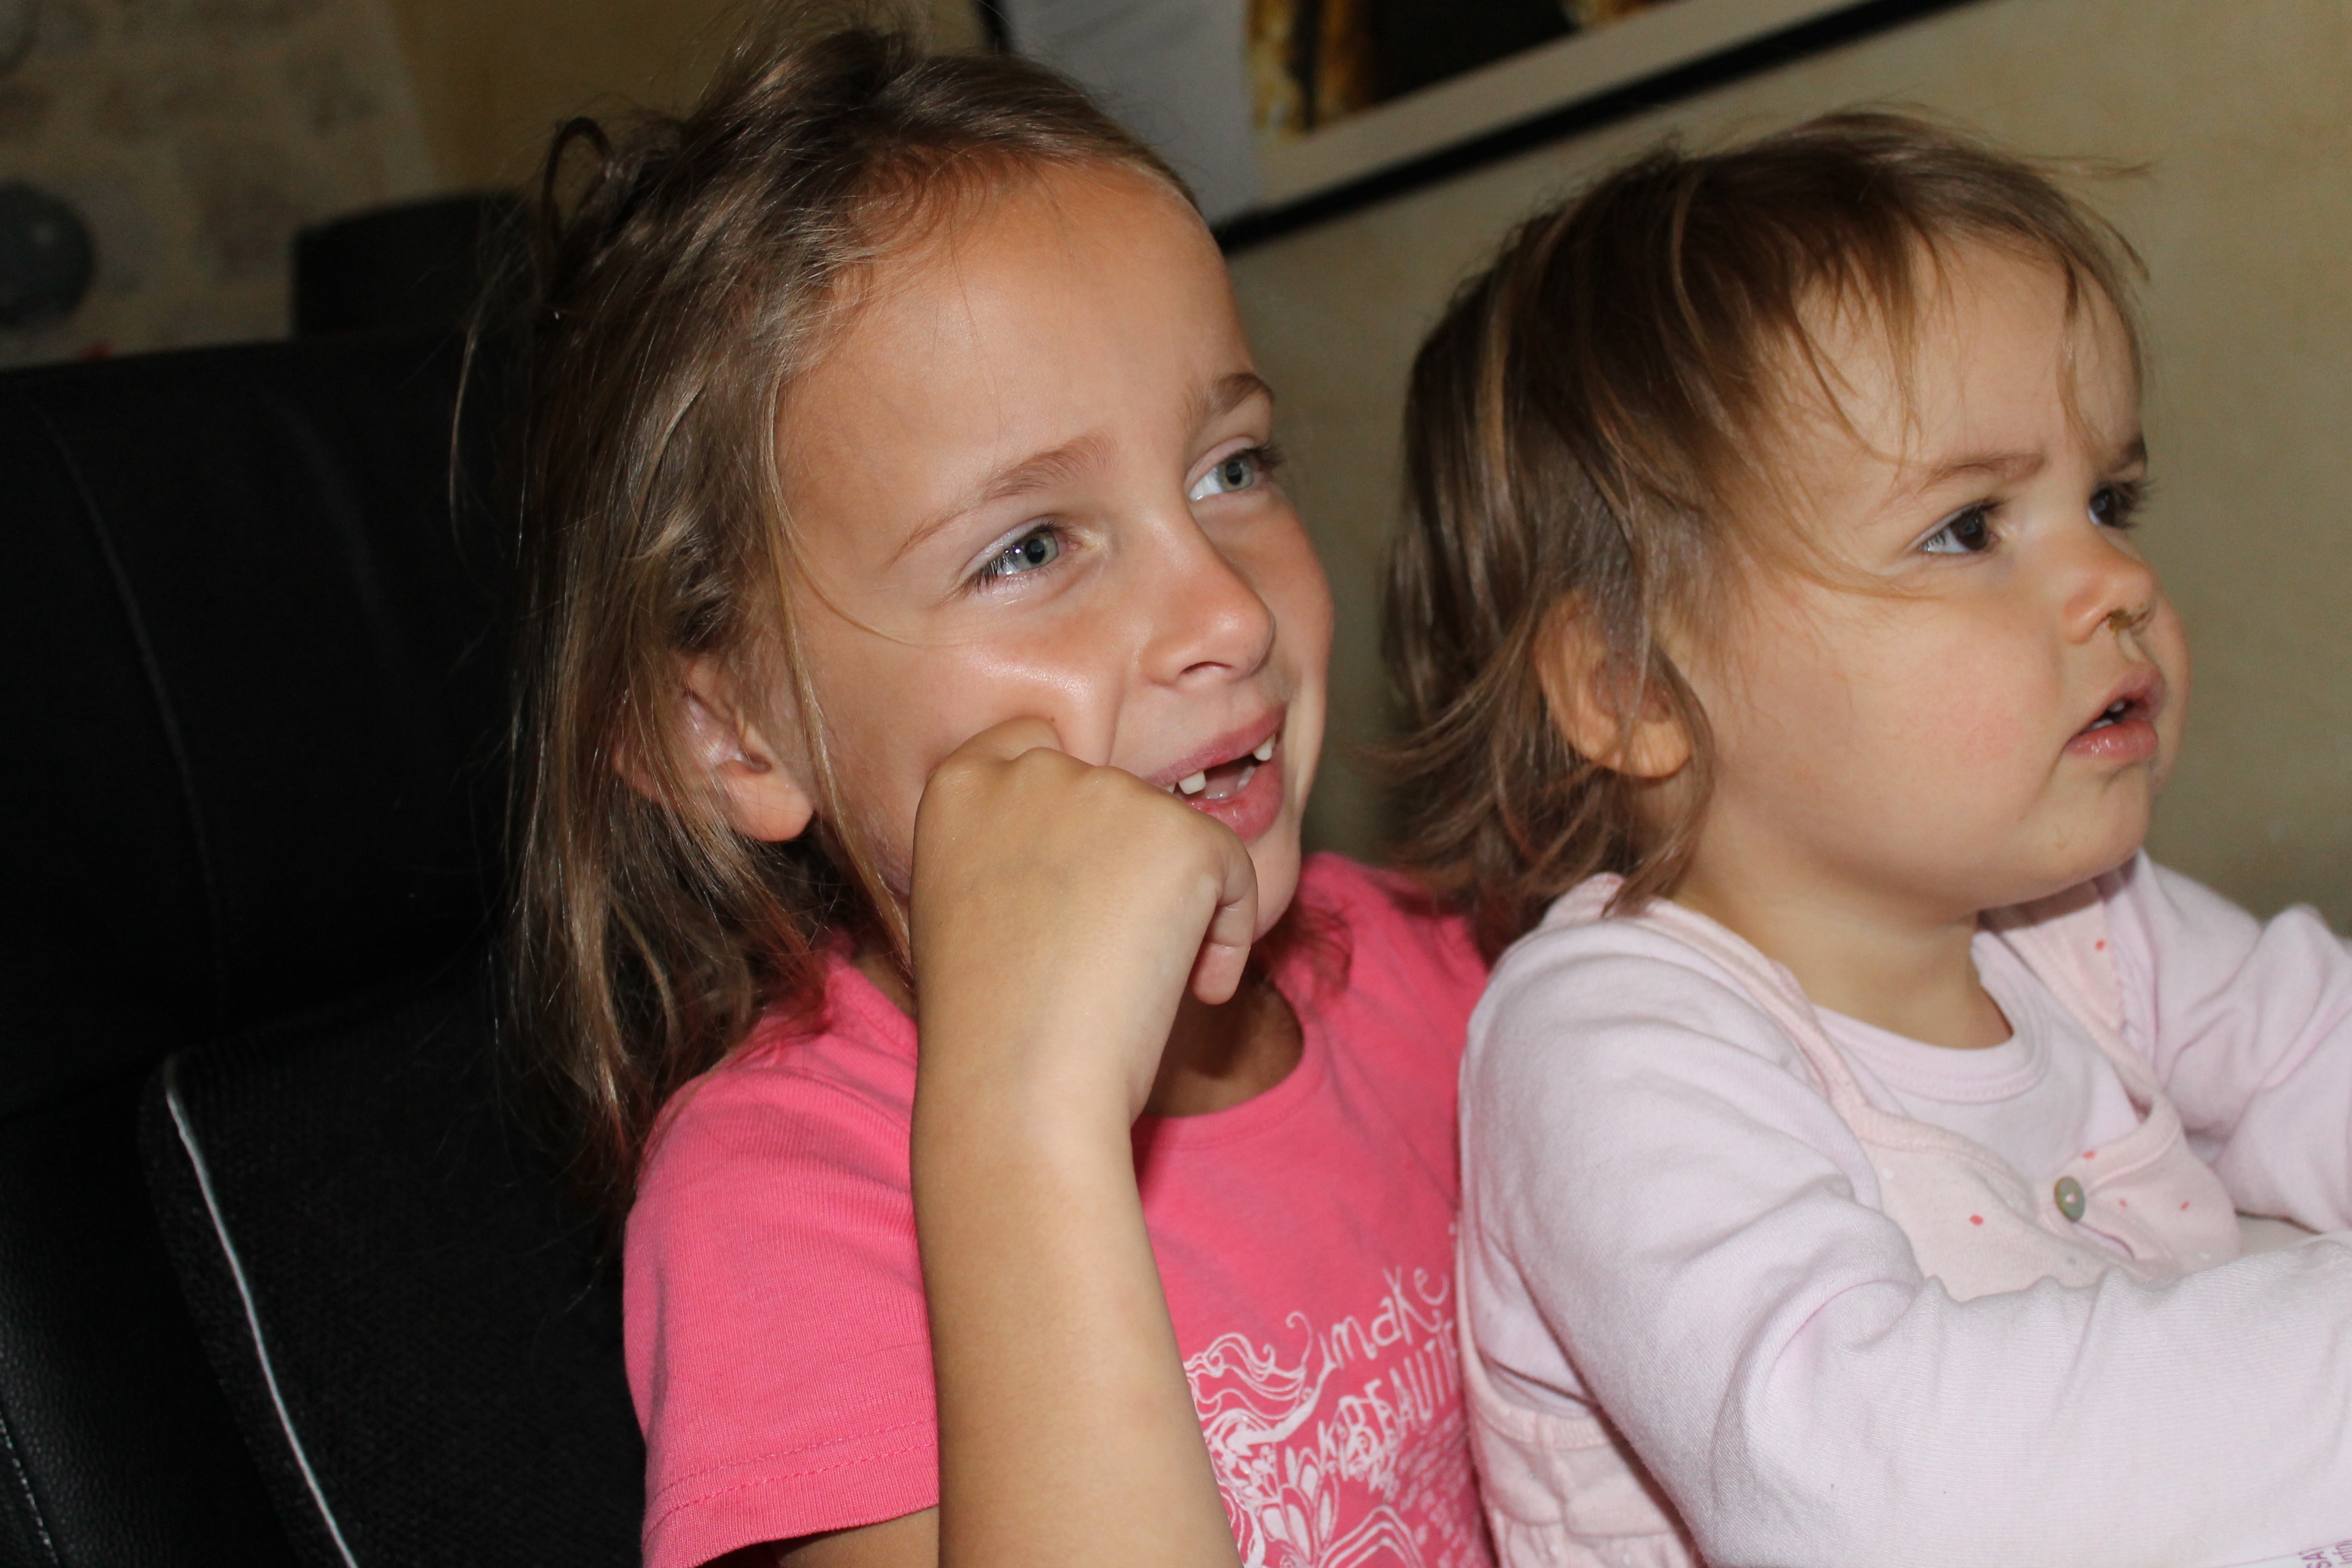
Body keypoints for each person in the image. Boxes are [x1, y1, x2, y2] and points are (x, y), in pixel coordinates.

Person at [505, 15, 1492, 1568]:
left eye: (1232, 469)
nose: (1226, 612)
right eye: (1029, 548)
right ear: (731, 733)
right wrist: (1027, 1115)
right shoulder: (786, 1198)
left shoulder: (1443, 977)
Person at [1384, 112, 2352, 1567]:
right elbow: (1862, 1484)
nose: (2117, 577)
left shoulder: (2081, 921)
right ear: (1640, 692)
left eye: (2108, 501)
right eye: (1969, 527)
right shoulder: (1609, 1039)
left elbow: (2314, 1054)